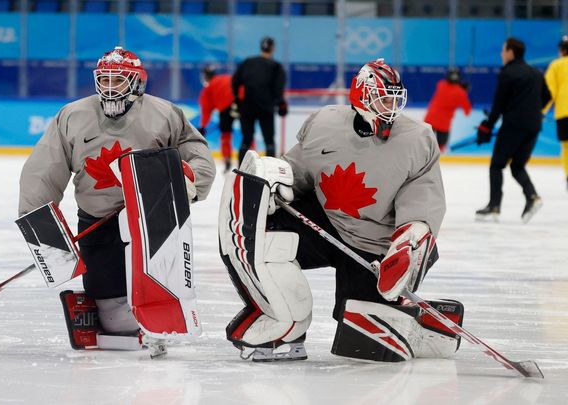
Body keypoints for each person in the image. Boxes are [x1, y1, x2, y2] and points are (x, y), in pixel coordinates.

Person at [219, 59, 463, 363]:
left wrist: (407, 246)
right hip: (328, 224)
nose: (391, 106)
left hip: (376, 246)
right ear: (362, 96)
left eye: (394, 98)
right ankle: (286, 327)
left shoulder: (417, 140)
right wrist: (278, 175)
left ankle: (417, 321)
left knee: (364, 341)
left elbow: (422, 203)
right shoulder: (324, 123)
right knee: (264, 235)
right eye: (383, 97)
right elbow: (300, 169)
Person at [18, 46, 215, 351]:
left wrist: (191, 183)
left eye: (118, 80)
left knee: (159, 288)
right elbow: (42, 172)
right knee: (111, 314)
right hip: (98, 221)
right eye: (105, 80)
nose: (109, 88)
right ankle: (129, 318)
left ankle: (157, 313)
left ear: (137, 82)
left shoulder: (164, 113)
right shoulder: (72, 115)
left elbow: (196, 152)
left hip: (153, 224)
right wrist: (43, 231)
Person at [475, 38, 551, 223]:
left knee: (497, 165)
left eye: (503, 50)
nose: (501, 54)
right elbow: (547, 96)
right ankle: (532, 197)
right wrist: (534, 111)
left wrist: (487, 126)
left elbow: (499, 104)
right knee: (517, 166)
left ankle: (494, 206)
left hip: (513, 125)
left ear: (511, 52)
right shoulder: (535, 73)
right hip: (533, 125)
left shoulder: (507, 73)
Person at [231, 36, 287, 164]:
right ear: (273, 49)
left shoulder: (248, 62)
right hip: (266, 107)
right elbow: (278, 88)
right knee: (269, 140)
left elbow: (235, 81)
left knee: (246, 138)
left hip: (247, 106)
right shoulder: (276, 67)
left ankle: (241, 169)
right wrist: (281, 103)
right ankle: (271, 168)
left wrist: (236, 98)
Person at [424, 68, 472, 152]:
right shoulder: (461, 92)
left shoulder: (441, 84)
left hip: (430, 119)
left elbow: (448, 86)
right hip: (443, 124)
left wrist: (461, 88)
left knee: (424, 145)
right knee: (440, 149)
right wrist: (465, 91)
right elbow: (467, 111)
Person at [198, 64, 235, 173]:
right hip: (241, 105)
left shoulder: (208, 88)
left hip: (225, 111)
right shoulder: (228, 78)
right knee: (248, 133)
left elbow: (206, 110)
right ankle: (252, 154)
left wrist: (203, 126)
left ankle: (227, 159)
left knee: (225, 136)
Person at [542, 35, 568, 190]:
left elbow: (549, 91)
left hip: (564, 113)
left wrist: (540, 111)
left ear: (562, 50)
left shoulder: (556, 65)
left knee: (566, 147)